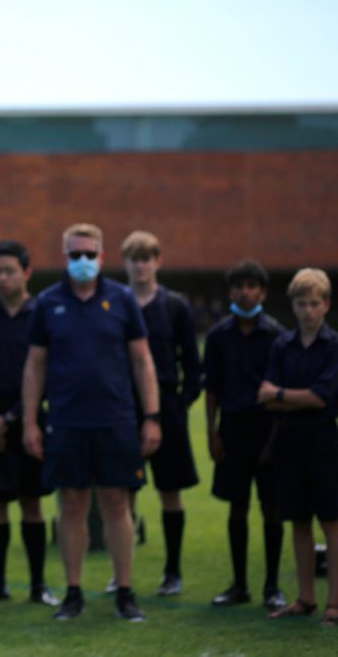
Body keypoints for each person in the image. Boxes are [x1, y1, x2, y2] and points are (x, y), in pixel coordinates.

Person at [21, 223, 161, 622]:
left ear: (101, 256)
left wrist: (151, 416)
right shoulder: (48, 303)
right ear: (64, 256)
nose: (82, 261)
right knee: (72, 505)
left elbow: (142, 360)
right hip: (66, 421)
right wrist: (31, 421)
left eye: (89, 254)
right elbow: (34, 366)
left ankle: (125, 591)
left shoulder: (121, 299)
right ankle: (74, 592)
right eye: (74, 254)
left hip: (116, 419)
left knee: (117, 503)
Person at [0, 240, 59, 607]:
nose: (1, 278)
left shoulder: (42, 313)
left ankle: (38, 586)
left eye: (9, 271)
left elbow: (45, 370)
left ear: (26, 273)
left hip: (29, 420)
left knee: (32, 503)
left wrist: (14, 417)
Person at [120, 231, 201, 596]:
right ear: (125, 263)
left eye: (146, 258)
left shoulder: (175, 307)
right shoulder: (117, 304)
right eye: (134, 258)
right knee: (124, 493)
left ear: (158, 262)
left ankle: (173, 571)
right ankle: (122, 576)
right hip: (124, 408)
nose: (140, 265)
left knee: (170, 490)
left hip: (166, 408)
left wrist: (179, 406)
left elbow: (193, 365)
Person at [204, 259, 287, 610]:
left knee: (271, 508)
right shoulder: (218, 336)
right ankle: (239, 584)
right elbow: (212, 388)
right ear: (231, 291)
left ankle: (272, 586)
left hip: (268, 428)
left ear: (263, 292)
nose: (245, 292)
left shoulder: (277, 335)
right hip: (233, 429)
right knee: (236, 507)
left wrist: (275, 440)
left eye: (252, 286)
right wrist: (212, 431)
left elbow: (284, 388)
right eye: (239, 286)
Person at [257, 268, 338, 624]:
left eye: (314, 303)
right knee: (298, 520)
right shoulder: (282, 345)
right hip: (288, 440)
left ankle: (335, 601)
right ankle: (305, 598)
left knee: (331, 521)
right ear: (292, 305)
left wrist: (279, 395)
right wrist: (288, 397)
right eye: (301, 303)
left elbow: (323, 398)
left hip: (322, 439)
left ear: (326, 305)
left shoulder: (334, 346)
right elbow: (264, 397)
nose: (307, 310)